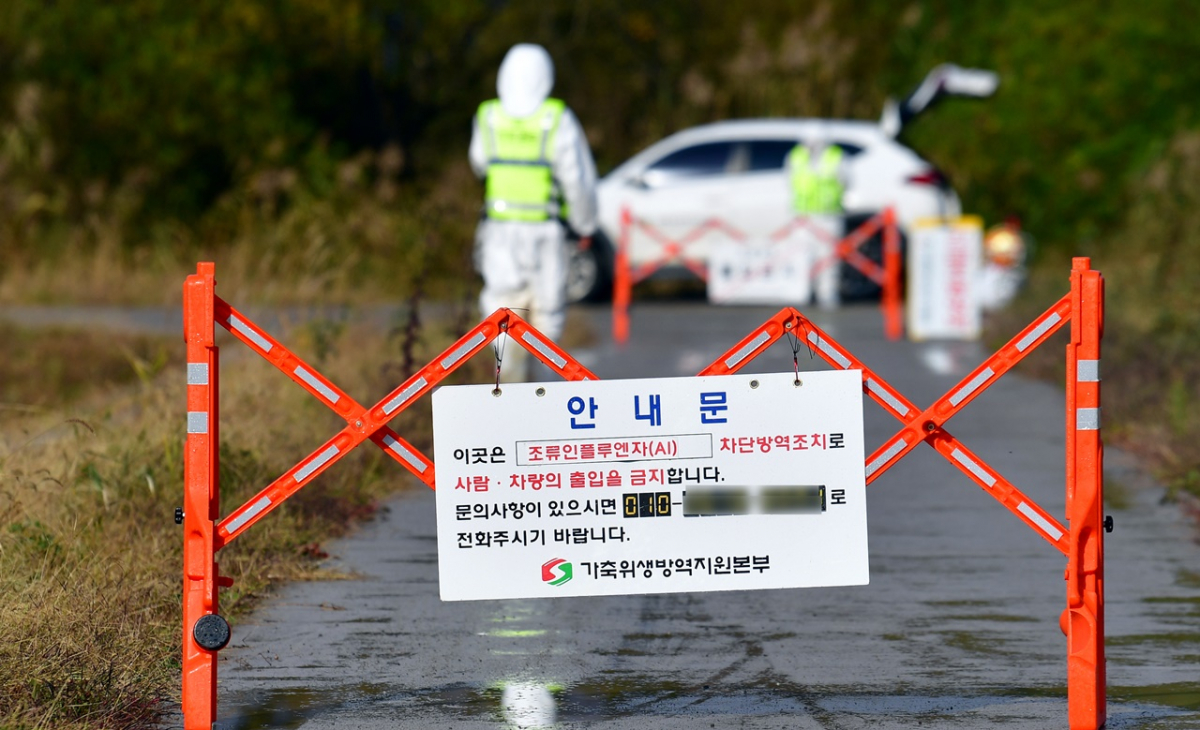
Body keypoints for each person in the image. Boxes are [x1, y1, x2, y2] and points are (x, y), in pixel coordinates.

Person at [470, 43, 598, 381]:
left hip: (500, 230)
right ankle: (541, 393)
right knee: (547, 314)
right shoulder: (556, 118)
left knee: (502, 311)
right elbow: (577, 179)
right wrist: (585, 224)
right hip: (546, 231)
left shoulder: (488, 116)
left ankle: (506, 385)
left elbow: (479, 162)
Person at [787, 138, 847, 309]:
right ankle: (801, 293)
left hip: (829, 214)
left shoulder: (835, 156)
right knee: (802, 256)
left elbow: (846, 181)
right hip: (803, 215)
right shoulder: (796, 156)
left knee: (828, 257)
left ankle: (827, 294)